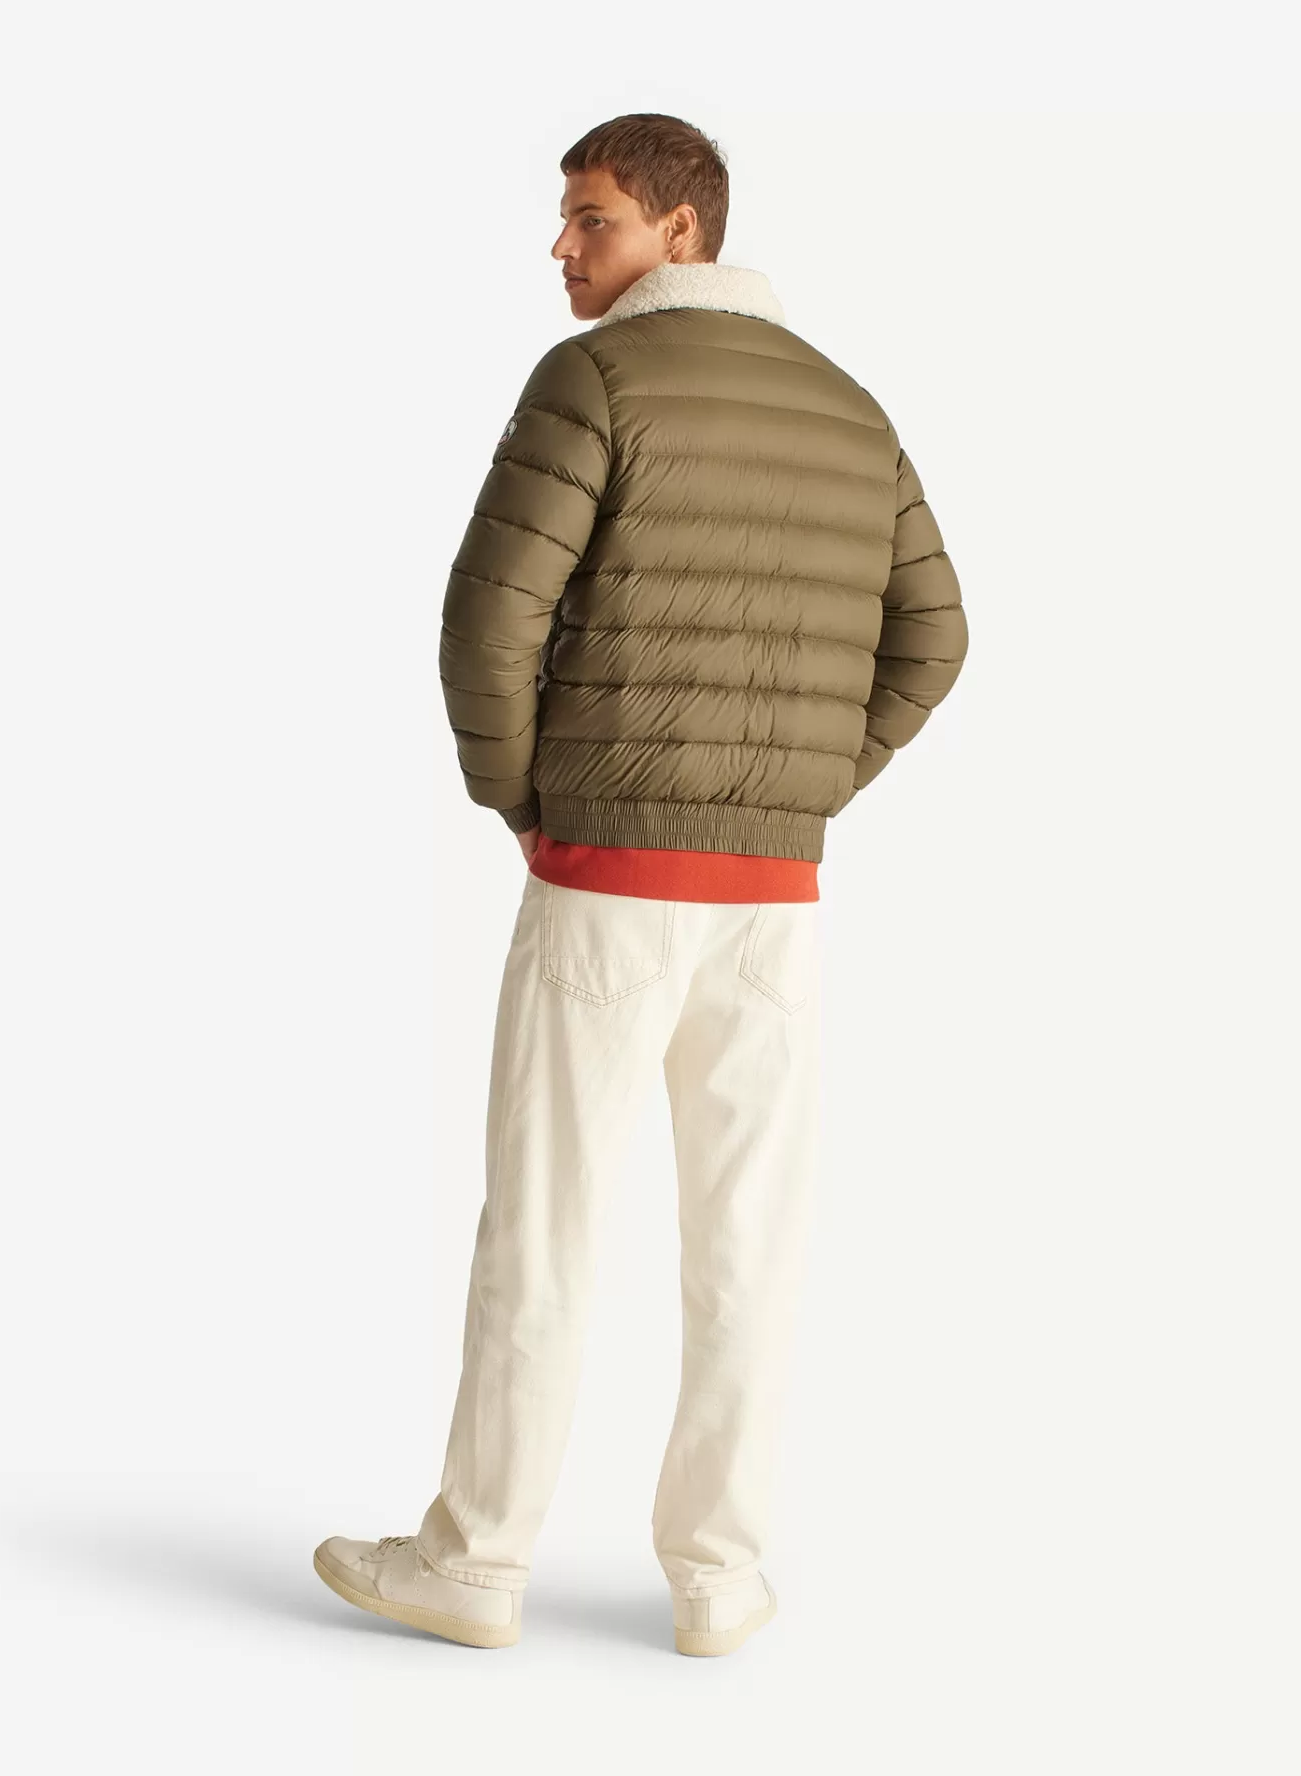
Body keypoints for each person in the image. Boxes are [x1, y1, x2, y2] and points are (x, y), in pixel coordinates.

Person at [314, 112, 969, 1655]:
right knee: (750, 1239)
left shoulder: (594, 382)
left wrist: (525, 798)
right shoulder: (852, 409)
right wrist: (806, 791)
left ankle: (476, 1564)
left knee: (545, 1224)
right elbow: (935, 638)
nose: (562, 247)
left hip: (608, 872)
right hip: (771, 903)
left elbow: (487, 623)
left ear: (684, 230)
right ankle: (721, 1579)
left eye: (592, 217)